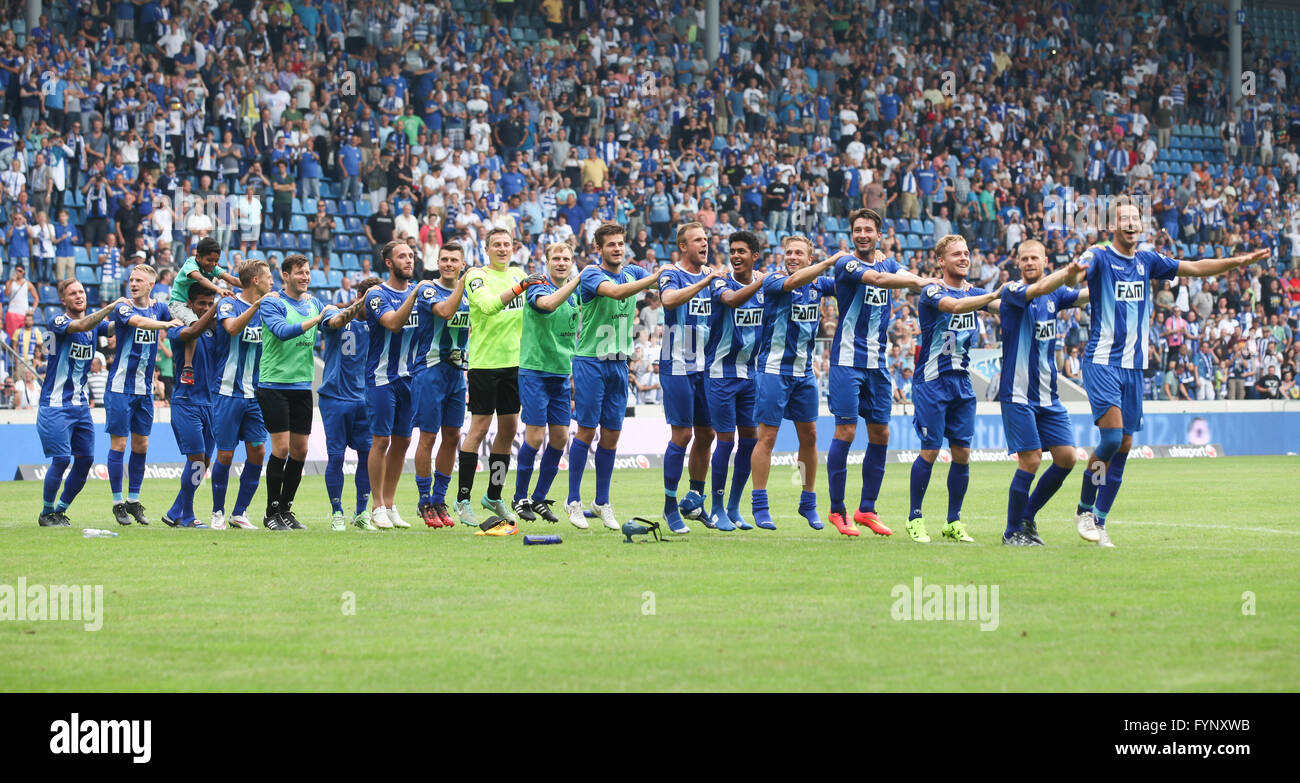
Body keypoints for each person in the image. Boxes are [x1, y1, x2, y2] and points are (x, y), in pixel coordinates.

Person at [1073, 203, 1269, 547]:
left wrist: (1236, 262)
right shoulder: (1100, 256)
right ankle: (1085, 510)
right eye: (1125, 219)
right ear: (1113, 226)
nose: (1132, 224)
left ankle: (1101, 521)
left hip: (1133, 367)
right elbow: (1079, 269)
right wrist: (1077, 269)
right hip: (1102, 362)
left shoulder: (1147, 261)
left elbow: (1195, 267)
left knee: (1126, 443)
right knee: (1110, 439)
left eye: (1136, 219)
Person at [826, 208, 936, 537]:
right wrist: (922, 281)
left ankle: (867, 509)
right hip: (846, 361)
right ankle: (837, 510)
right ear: (851, 234)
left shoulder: (889, 262)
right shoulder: (846, 263)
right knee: (845, 431)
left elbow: (894, 273)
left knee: (881, 434)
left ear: (880, 234)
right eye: (857, 229)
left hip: (878, 364)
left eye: (868, 230)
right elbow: (878, 279)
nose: (862, 234)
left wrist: (929, 286)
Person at [566, 223, 665, 529]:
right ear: (599, 248)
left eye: (621, 243)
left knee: (611, 434)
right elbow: (619, 292)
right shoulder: (592, 274)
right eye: (611, 244)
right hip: (591, 361)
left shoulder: (632, 271)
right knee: (586, 430)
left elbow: (652, 286)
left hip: (619, 363)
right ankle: (573, 502)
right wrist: (656, 276)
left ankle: (602, 502)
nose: (617, 248)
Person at [906, 236, 1003, 544]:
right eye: (956, 254)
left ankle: (953, 521)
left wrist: (1021, 300)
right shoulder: (932, 290)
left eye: (966, 253)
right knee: (931, 450)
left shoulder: (975, 293)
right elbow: (956, 305)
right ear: (941, 261)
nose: (963, 258)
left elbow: (1004, 307)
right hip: (932, 382)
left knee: (962, 453)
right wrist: (995, 294)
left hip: (962, 382)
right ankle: (915, 519)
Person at [997, 240, 1090, 546]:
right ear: (1017, 262)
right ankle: (1012, 533)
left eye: (1034, 258)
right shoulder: (1012, 291)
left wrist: (1109, 285)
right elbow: (1037, 290)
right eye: (1023, 258)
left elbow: (1079, 296)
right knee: (1031, 460)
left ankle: (1027, 516)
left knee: (1067, 457)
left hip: (1048, 396)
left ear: (1044, 259)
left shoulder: (1056, 293)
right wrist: (1068, 272)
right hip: (1018, 393)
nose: (1028, 263)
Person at [748, 238, 840, 531]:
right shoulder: (774, 280)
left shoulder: (819, 286)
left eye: (799, 253)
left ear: (809, 257)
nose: (792, 257)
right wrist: (828, 263)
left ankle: (808, 501)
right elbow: (793, 283)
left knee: (811, 436)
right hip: (773, 369)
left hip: (804, 372)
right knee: (768, 437)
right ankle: (760, 504)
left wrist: (869, 261)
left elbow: (851, 283)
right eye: (788, 252)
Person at [456, 228, 542, 531]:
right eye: (497, 245)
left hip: (515, 364)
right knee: (479, 427)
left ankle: (493, 495)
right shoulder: (476, 276)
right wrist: (520, 288)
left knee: (509, 428)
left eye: (507, 244)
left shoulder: (518, 273)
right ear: (486, 248)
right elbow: (489, 306)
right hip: (484, 364)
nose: (503, 249)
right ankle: (462, 499)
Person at [258, 254, 338, 530]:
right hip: (274, 385)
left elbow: (331, 324)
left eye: (307, 272)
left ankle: (286, 509)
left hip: (303, 385)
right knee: (280, 448)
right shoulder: (271, 302)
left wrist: (342, 313)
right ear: (286, 276)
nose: (305, 277)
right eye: (299, 273)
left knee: (300, 451)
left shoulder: (314, 302)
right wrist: (317, 318)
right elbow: (281, 331)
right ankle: (271, 512)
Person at [104, 264, 183, 526]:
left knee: (142, 445)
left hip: (144, 391)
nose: (133, 283)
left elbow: (176, 312)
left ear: (151, 285)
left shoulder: (159, 306)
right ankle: (117, 503)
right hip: (119, 388)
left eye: (139, 280)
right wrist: (165, 324)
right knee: (120, 445)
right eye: (131, 279)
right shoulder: (123, 307)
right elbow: (138, 322)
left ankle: (134, 501)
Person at [36, 281, 118, 527]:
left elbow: (113, 328)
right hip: (55, 405)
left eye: (81, 291)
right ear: (63, 300)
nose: (79, 296)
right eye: (72, 293)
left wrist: (130, 313)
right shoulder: (57, 322)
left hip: (81, 407)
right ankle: (46, 512)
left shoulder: (95, 326)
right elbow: (82, 324)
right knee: (61, 460)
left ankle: (60, 510)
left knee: (85, 460)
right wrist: (112, 306)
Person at [700, 229, 766, 531]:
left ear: (754, 256)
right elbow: (732, 301)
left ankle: (734, 507)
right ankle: (715, 508)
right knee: (725, 439)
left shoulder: (766, 284)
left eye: (742, 251)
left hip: (750, 376)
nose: (736, 256)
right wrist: (763, 281)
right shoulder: (720, 281)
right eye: (733, 250)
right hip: (720, 374)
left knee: (750, 440)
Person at [513, 241, 582, 524]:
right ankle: (520, 498)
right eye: (556, 258)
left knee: (561, 438)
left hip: (560, 374)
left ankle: (540, 497)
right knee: (535, 437)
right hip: (535, 371)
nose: (561, 262)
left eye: (566, 258)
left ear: (572, 260)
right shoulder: (539, 286)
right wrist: (577, 280)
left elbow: (571, 337)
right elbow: (547, 306)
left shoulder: (575, 297)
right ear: (547, 260)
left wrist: (573, 371)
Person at [362, 240, 429, 530]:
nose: (408, 260)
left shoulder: (422, 294)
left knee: (402, 442)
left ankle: (390, 504)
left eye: (411, 256)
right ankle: (376, 505)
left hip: (410, 378)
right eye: (402, 256)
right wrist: (415, 294)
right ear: (388, 263)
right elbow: (392, 323)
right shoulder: (376, 294)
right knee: (382, 441)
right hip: (381, 378)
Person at [658, 222, 719, 533]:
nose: (703, 244)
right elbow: (668, 301)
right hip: (676, 364)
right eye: (697, 240)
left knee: (707, 434)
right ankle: (670, 506)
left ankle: (695, 498)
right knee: (682, 436)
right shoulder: (671, 273)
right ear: (683, 246)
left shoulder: (712, 277)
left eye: (705, 239)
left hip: (704, 367)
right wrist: (706, 280)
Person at [210, 260, 275, 531]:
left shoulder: (270, 309)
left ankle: (239, 512)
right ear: (255, 281)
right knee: (225, 455)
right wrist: (257, 306)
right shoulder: (228, 304)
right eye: (269, 277)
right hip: (227, 392)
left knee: (258, 451)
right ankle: (217, 512)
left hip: (255, 395)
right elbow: (232, 329)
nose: (273, 282)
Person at [411, 243, 470, 529]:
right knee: (428, 438)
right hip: (430, 372)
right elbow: (445, 311)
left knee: (452, 437)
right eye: (444, 259)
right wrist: (464, 282)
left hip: (457, 375)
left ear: (462, 262)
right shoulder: (428, 290)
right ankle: (424, 500)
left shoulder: (469, 293)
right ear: (438, 261)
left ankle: (440, 499)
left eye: (454, 260)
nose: (448, 264)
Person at [318, 276, 381, 530]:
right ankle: (337, 512)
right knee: (336, 458)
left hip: (364, 399)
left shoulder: (378, 323)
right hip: (334, 398)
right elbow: (334, 322)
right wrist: (363, 301)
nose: (375, 307)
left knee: (367, 457)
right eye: (370, 302)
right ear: (359, 297)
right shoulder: (334, 311)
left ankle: (361, 512)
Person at [159, 285, 220, 528]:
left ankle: (176, 510)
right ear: (190, 305)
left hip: (212, 404)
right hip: (186, 403)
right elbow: (192, 332)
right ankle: (187, 515)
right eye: (201, 304)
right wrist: (214, 311)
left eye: (209, 304)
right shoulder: (177, 327)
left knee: (204, 462)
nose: (205, 308)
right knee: (196, 460)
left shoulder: (216, 332)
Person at [169, 237, 239, 385]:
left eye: (216, 260)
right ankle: (188, 366)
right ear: (198, 257)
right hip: (180, 304)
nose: (213, 264)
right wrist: (218, 289)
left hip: (195, 304)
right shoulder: (190, 264)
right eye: (209, 260)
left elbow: (231, 279)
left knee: (217, 324)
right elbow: (200, 279)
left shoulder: (213, 267)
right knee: (195, 326)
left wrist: (251, 285)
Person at [4, 264, 37, 337]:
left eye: (20, 271)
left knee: (23, 337)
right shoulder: (9, 282)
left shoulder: (28, 284)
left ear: (23, 272)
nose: (18, 272)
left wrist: (32, 310)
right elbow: (6, 293)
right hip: (12, 312)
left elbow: (36, 298)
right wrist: (12, 281)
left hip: (23, 314)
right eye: (16, 271)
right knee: (11, 337)